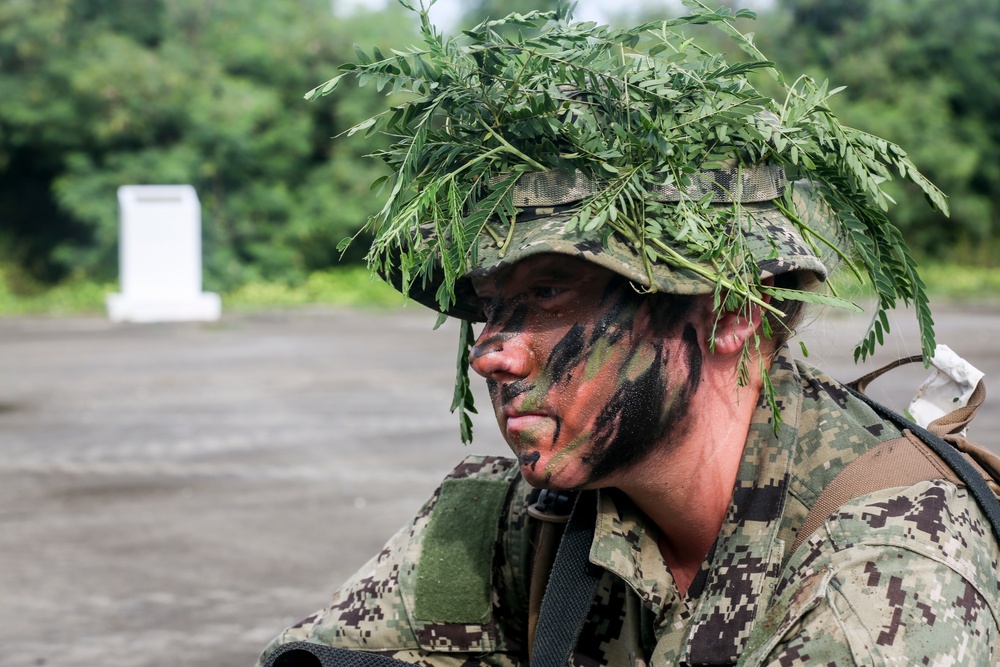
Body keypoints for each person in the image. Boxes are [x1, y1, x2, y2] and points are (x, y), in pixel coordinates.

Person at [259, 5, 999, 665]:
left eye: (550, 292)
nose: (490, 350)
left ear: (730, 311)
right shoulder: (522, 524)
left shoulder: (885, 580)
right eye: (492, 304)